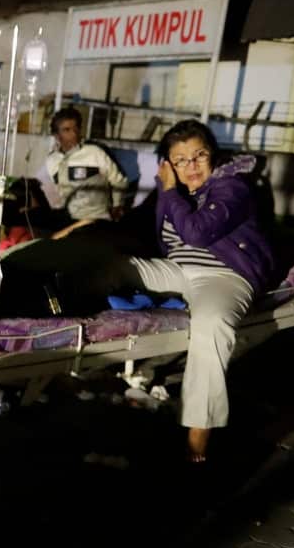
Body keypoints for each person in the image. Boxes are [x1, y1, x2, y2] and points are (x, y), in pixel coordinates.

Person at [96, 120, 275, 462]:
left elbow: (195, 232)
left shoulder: (231, 188)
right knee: (116, 267)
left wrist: (167, 191)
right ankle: (48, 304)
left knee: (211, 322)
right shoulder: (172, 193)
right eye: (180, 160)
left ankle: (199, 430)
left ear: (213, 157)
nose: (191, 166)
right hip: (178, 272)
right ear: (168, 165)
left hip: (225, 275)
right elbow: (136, 223)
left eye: (199, 155)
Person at [39, 107, 129, 233]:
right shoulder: (52, 161)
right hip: (67, 219)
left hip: (96, 220)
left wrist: (117, 205)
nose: (74, 133)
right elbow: (53, 192)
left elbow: (118, 181)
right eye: (67, 130)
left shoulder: (94, 153)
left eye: (76, 128)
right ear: (57, 136)